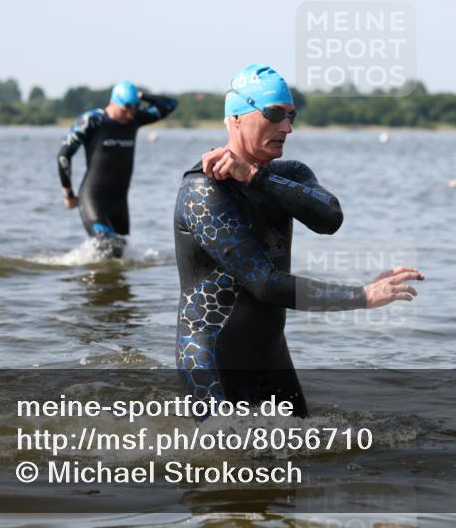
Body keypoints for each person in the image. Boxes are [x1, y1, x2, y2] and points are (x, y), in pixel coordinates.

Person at [174, 64, 424, 417]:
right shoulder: (203, 190)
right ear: (236, 117)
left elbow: (330, 218)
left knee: (306, 463)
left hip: (270, 351)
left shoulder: (289, 173)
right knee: (227, 466)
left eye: (291, 116)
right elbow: (265, 284)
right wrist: (363, 296)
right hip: (214, 359)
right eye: (274, 114)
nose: (287, 128)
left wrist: (254, 176)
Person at [57, 81, 178, 257]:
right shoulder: (93, 121)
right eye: (125, 110)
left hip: (119, 202)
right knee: (108, 245)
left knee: (120, 252)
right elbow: (63, 155)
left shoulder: (134, 120)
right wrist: (68, 193)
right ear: (113, 103)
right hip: (93, 198)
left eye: (134, 109)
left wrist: (142, 96)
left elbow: (170, 104)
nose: (129, 115)